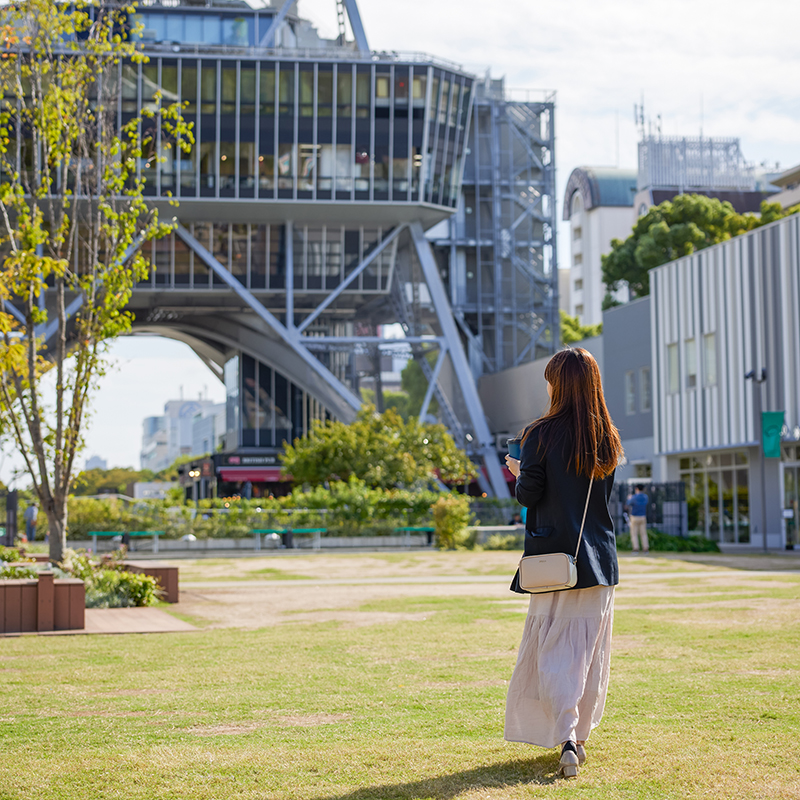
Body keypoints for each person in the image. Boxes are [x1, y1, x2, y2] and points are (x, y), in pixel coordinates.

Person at [504, 347, 623, 779]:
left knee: (555, 651)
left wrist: (520, 469)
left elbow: (530, 495)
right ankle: (579, 735)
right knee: (588, 653)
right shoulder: (606, 434)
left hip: (554, 561)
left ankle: (567, 738)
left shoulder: (540, 433)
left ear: (559, 384)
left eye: (551, 379)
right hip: (598, 562)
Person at [626, 484, 649, 554]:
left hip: (634, 516)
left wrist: (629, 498)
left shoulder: (634, 497)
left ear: (636, 489)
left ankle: (636, 548)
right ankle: (645, 548)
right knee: (643, 533)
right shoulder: (645, 497)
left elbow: (628, 503)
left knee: (634, 533)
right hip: (643, 516)